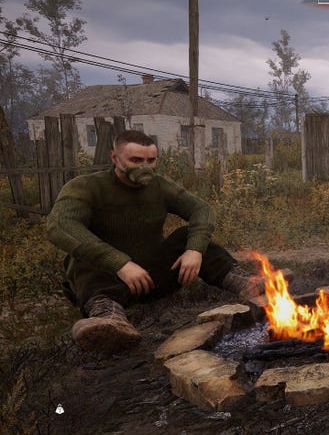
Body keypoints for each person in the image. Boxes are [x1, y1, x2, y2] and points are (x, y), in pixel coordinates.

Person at [47, 130, 262, 353]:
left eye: (151, 160)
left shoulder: (159, 186)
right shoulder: (86, 186)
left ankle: (247, 285)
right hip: (105, 283)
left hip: (150, 278)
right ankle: (108, 317)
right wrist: (120, 264)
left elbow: (201, 209)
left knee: (186, 236)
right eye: (135, 160)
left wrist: (194, 250)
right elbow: (59, 226)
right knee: (86, 251)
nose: (145, 167)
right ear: (114, 158)